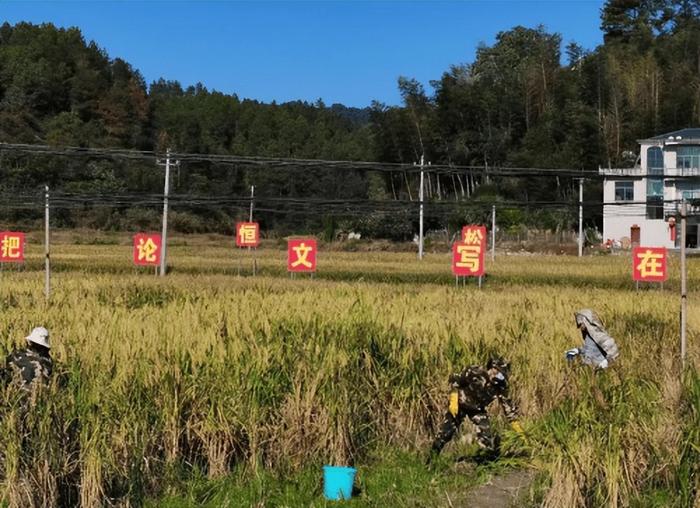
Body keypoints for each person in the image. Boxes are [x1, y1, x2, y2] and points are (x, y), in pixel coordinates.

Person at [429, 358, 523, 462]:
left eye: (501, 375)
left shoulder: (500, 387)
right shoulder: (475, 372)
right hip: (460, 404)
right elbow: (455, 378)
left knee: (486, 434)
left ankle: (483, 461)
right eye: (497, 372)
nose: (497, 376)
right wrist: (453, 398)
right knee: (445, 433)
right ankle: (431, 460)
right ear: (492, 368)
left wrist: (517, 427)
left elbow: (508, 407)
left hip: (477, 409)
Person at [3, 327, 53, 392]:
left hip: (17, 393)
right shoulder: (48, 362)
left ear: (30, 342)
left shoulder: (16, 355)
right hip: (40, 396)